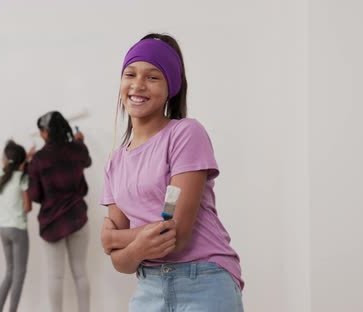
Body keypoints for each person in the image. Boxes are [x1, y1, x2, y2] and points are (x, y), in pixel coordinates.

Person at [100, 33, 244, 311]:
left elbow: (176, 236)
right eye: (130, 74)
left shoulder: (186, 134)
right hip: (148, 288)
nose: (138, 85)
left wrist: (115, 238)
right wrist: (136, 246)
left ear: (171, 87)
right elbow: (120, 262)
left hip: (204, 281)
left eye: (153, 77)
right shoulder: (114, 162)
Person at [28, 111, 91, 312]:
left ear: (46, 132)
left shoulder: (38, 159)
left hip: (52, 223)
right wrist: (80, 142)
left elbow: (35, 194)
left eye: (41, 131)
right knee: (81, 273)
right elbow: (87, 161)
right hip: (78, 217)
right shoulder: (76, 150)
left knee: (55, 276)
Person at [0, 140, 32, 312]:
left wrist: (26, 158)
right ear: (21, 161)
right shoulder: (23, 178)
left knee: (9, 272)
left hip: (3, 230)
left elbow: (11, 167)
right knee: (19, 275)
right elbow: (27, 207)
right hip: (18, 230)